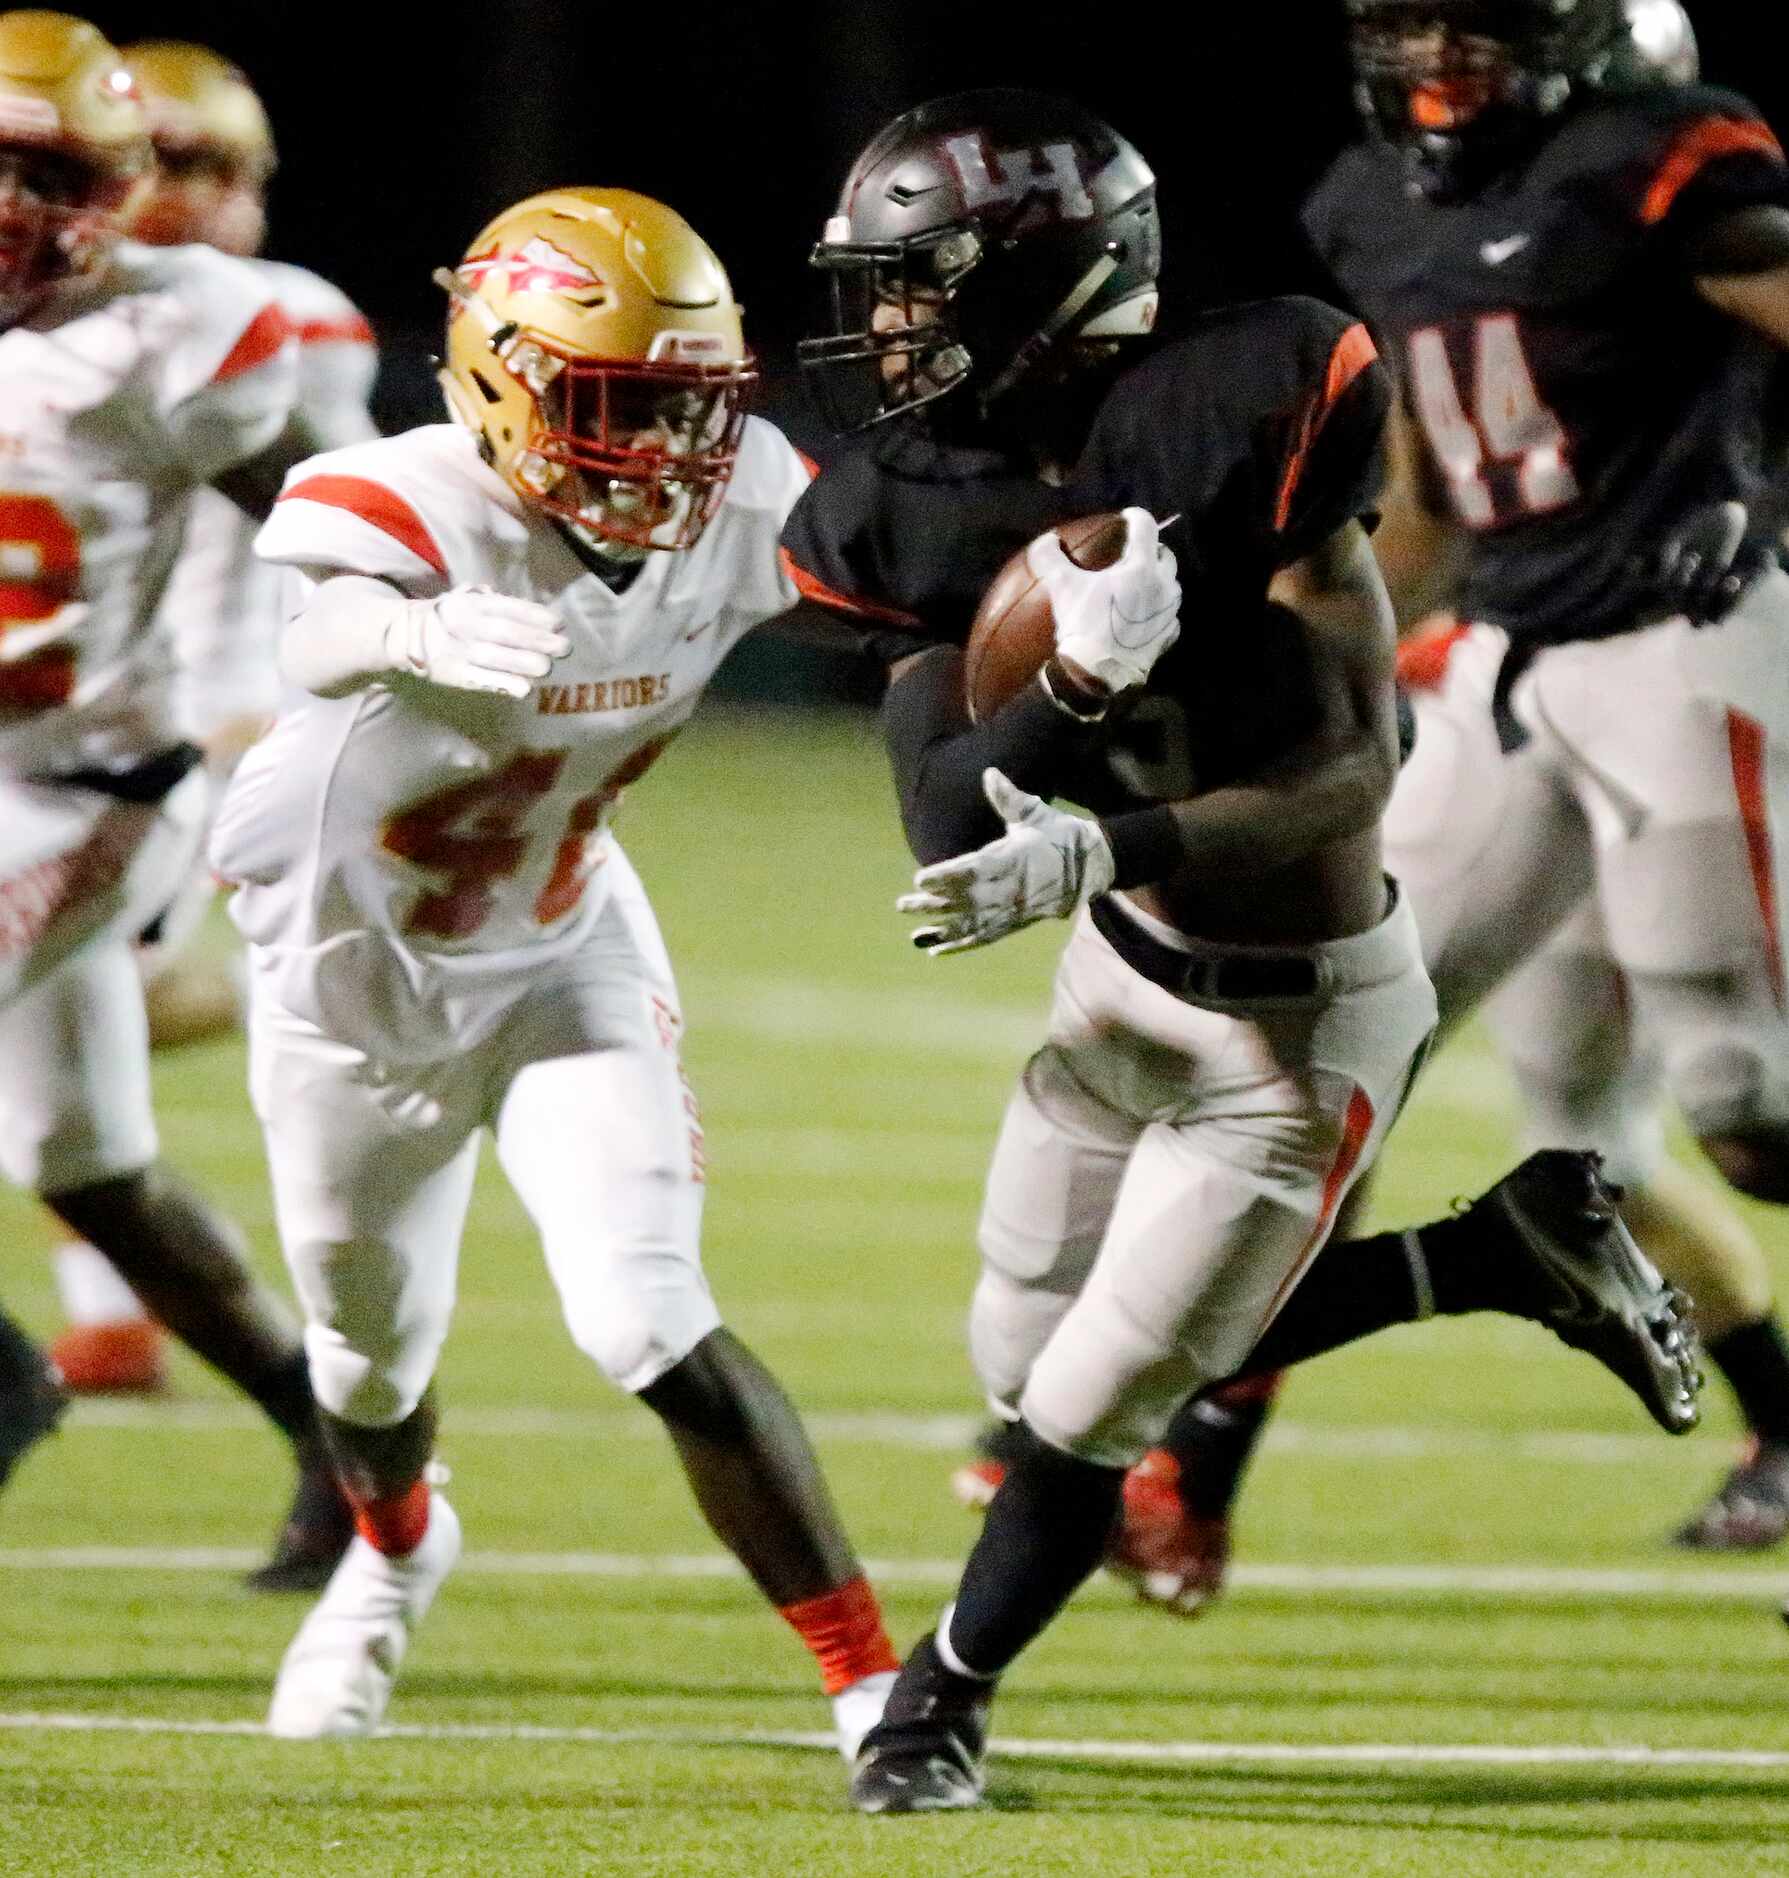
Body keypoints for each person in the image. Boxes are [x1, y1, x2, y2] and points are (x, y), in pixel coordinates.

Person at [782, 86, 1696, 1814]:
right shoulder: (903, 501)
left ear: (1043, 284)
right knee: (1011, 1351)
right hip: (1114, 983)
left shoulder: (1245, 403)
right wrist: (1068, 693)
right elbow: (942, 819)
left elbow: (1354, 772)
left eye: (918, 282)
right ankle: (1494, 1255)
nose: (884, 323)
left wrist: (1102, 835)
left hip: (1301, 1021)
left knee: (1086, 1404)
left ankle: (934, 1709)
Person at [1012, 0, 1789, 1620]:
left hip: (1687, 634)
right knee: (1347, 1029)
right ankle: (1190, 1466)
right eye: (1408, 28)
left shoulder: (1650, 160)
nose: (1433, 66)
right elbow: (1431, 486)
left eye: (1470, 30)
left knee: (1746, 1109)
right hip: (1507, 656)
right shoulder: (1375, 204)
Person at [214, 186, 900, 1756]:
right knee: (365, 1361)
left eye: (691, 410)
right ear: (502, 374)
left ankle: (880, 1691)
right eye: (618, 407)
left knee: (643, 1311)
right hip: (351, 990)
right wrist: (405, 637)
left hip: (563, 945)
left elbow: (908, 602)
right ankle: (393, 1556)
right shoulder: (400, 497)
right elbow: (314, 628)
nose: (667, 454)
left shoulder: (746, 506)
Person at [0, 8, 356, 1590]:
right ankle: (343, 1442)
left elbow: (334, 526)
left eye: (52, 172)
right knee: (93, 1170)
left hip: (89, 792)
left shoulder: (184, 331)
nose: (17, 208)